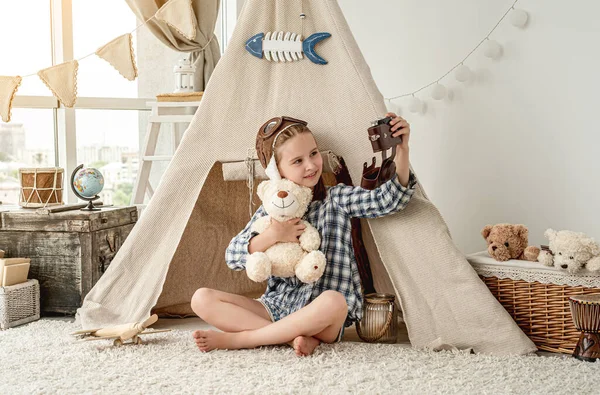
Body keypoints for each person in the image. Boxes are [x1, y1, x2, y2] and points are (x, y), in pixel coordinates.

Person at [191, 112, 417, 356]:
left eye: (313, 153)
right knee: (201, 299)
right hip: (277, 305)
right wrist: (274, 234)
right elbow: (232, 256)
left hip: (322, 317)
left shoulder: (337, 198)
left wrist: (402, 150)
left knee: (334, 301)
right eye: (297, 161)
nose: (310, 165)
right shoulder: (270, 212)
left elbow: (389, 200)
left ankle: (245, 339)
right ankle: (290, 338)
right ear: (277, 171)